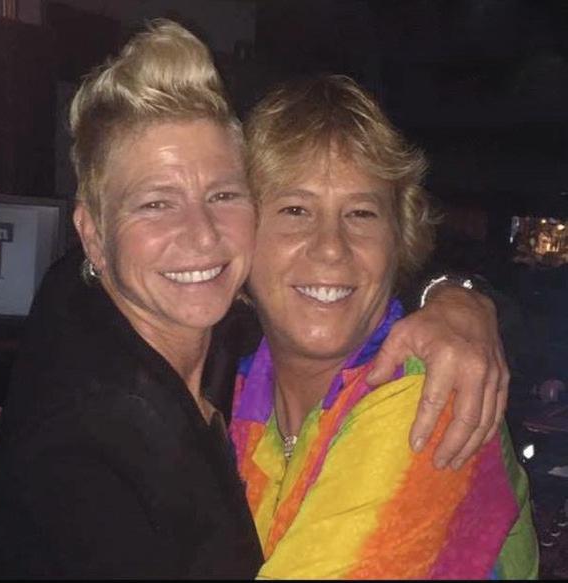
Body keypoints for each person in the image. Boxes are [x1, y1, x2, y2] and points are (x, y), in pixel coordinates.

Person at [0, 20, 509, 578]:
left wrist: (459, 296)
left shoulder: (416, 394)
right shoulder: (92, 452)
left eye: (222, 195)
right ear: (92, 234)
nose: (202, 235)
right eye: (295, 210)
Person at [230, 75, 539, 579]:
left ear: (400, 242)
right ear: (238, 239)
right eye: (295, 210)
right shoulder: (238, 390)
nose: (331, 246)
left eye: (361, 213)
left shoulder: (428, 394)